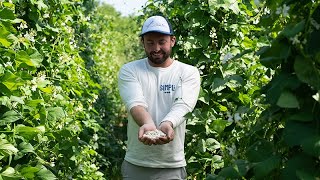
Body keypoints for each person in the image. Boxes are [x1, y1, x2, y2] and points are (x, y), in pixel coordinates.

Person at [118, 15, 201, 180]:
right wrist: (148, 124)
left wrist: (167, 123)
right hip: (137, 163)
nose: (156, 48)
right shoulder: (130, 70)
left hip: (171, 165)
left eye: (162, 41)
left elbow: (183, 104)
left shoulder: (188, 72)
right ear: (142, 43)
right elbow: (135, 103)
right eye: (150, 42)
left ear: (172, 41)